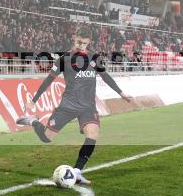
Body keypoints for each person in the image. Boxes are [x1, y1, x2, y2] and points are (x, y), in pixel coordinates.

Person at [16, 25, 133, 186]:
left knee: (92, 134)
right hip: (67, 105)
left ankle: (77, 171)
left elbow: (105, 77)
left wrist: (121, 93)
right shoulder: (64, 60)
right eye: (78, 41)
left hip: (88, 107)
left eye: (83, 43)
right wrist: (34, 100)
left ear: (88, 42)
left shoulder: (94, 58)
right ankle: (33, 121)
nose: (80, 45)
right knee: (46, 138)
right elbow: (48, 80)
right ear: (74, 38)